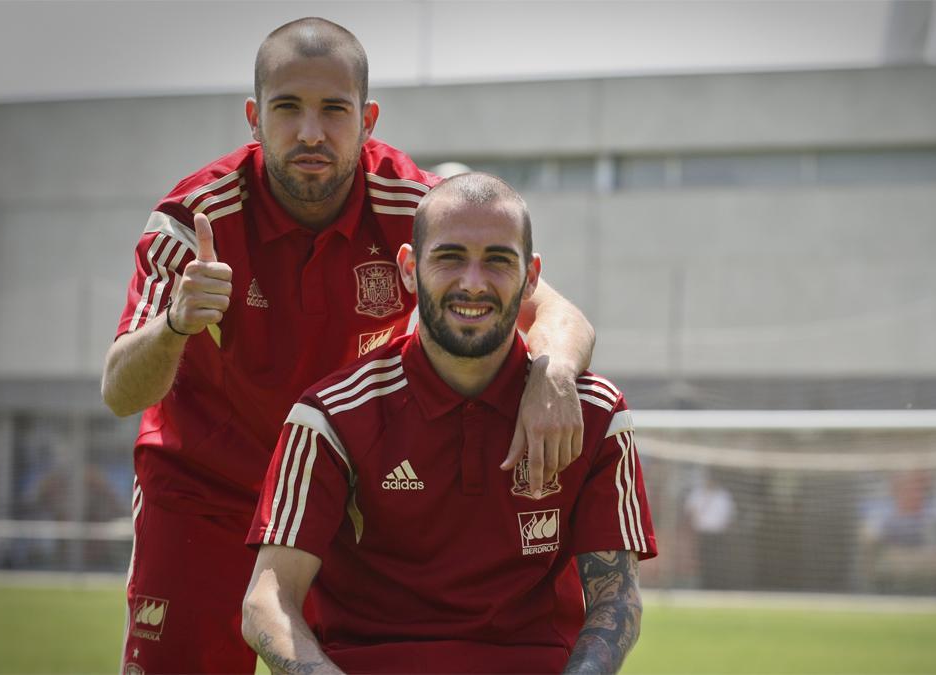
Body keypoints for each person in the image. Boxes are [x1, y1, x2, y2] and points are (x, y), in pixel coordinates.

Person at [101, 19, 595, 674]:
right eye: (288, 108)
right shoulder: (193, 221)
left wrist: (552, 374)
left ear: (367, 120)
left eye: (334, 109)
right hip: (203, 492)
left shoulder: (419, 207)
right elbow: (119, 390)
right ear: (254, 118)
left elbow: (557, 312)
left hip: (343, 496)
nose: (311, 132)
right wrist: (175, 324)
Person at [241, 173, 656, 674]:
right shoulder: (332, 416)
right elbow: (267, 602)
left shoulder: (593, 413)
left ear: (531, 277)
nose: (473, 282)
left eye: (498, 260)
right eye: (450, 257)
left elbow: (617, 601)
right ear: (409, 269)